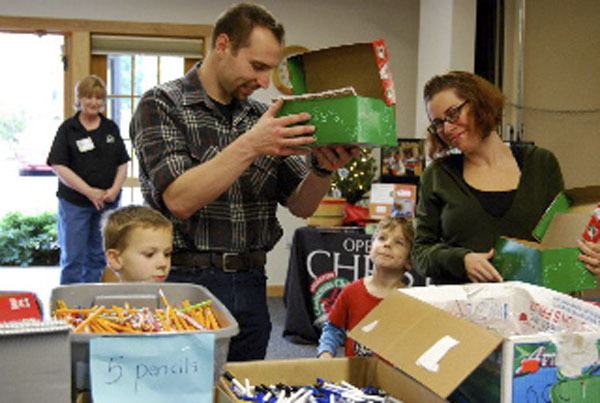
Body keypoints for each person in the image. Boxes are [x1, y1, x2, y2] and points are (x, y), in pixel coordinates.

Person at [130, 2, 357, 361]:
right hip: (187, 281)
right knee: (184, 390)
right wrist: (252, 144)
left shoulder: (260, 116)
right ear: (222, 45)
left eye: (270, 69)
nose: (265, 82)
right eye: (257, 66)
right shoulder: (162, 105)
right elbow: (179, 198)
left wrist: (322, 170)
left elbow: (301, 205)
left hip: (251, 284)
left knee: (244, 390)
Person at [412, 71, 600, 285]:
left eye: (453, 113)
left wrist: (591, 254)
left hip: (531, 309)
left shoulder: (541, 164)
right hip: (461, 310)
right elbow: (420, 253)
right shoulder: (438, 175)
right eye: (437, 123)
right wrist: (462, 259)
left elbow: (560, 237)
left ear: (480, 104)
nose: (446, 128)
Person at [47, 75, 130, 285]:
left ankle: (88, 305)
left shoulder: (110, 128)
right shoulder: (68, 129)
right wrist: (88, 191)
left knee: (97, 257)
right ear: (79, 99)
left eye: (98, 98)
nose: (94, 102)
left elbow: (122, 163)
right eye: (88, 97)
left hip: (107, 204)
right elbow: (58, 165)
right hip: (75, 204)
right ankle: (67, 309)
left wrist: (114, 189)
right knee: (73, 258)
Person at [317, 216, 414, 358]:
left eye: (398, 242)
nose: (387, 244)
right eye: (382, 238)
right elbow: (333, 328)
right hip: (355, 376)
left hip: (391, 378)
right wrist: (325, 352)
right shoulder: (351, 291)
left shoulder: (411, 301)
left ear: (409, 261)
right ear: (370, 249)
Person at [101, 205, 173, 283]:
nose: (163, 264)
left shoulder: (179, 295)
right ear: (115, 259)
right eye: (149, 254)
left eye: (167, 254)